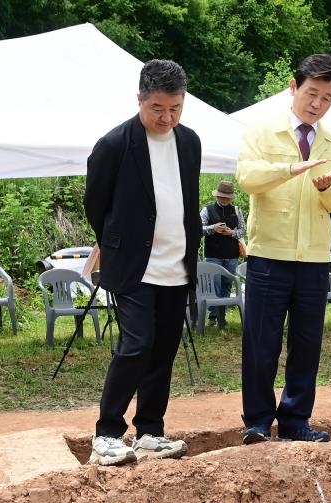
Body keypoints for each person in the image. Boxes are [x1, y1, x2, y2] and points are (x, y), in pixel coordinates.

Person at [84, 59, 202, 465]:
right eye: (157, 109)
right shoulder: (114, 144)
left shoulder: (190, 142)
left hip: (178, 265)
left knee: (164, 348)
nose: (166, 117)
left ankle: (150, 430)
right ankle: (107, 433)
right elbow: (95, 205)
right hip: (134, 267)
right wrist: (118, 245)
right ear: (140, 100)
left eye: (175, 108)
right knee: (136, 344)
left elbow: (185, 199)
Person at [236, 54, 331, 444]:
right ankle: (256, 421)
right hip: (268, 253)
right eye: (312, 93)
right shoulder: (262, 132)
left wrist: (326, 188)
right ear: (293, 86)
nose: (317, 103)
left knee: (306, 344)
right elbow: (246, 178)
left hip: (314, 259)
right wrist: (289, 170)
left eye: (328, 97)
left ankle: (295, 421)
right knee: (261, 343)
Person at [199, 179, 246, 329]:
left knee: (227, 285)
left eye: (227, 197)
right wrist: (213, 228)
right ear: (217, 196)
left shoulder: (237, 210)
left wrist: (231, 232)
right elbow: (199, 229)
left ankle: (222, 318)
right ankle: (212, 317)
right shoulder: (207, 210)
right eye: (222, 196)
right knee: (215, 286)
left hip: (231, 255)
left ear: (231, 197)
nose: (224, 199)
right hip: (213, 255)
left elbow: (242, 231)